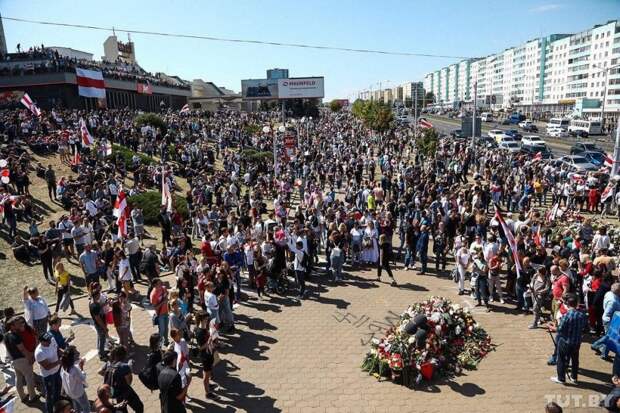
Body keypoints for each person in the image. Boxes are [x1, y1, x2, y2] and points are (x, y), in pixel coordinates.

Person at [551, 293, 588, 385]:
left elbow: (560, 329)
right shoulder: (582, 315)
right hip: (577, 342)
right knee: (575, 360)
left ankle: (561, 378)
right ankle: (574, 378)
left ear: (567, 304)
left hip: (565, 341)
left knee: (561, 359)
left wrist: (551, 327)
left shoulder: (567, 316)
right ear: (576, 304)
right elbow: (585, 328)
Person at [99, 345, 143, 413]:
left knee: (122, 410)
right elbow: (129, 382)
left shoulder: (109, 363)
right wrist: (129, 368)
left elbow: (99, 372)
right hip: (125, 391)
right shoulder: (124, 367)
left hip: (115, 393)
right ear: (124, 355)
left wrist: (113, 375)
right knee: (139, 407)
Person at [4, 316, 37, 404]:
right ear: (12, 326)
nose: (18, 325)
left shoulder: (6, 335)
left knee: (18, 378)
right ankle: (32, 396)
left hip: (14, 360)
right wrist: (30, 357)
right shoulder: (15, 336)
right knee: (29, 377)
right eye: (16, 324)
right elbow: (22, 349)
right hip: (22, 360)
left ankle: (22, 396)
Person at [194, 311, 219, 400]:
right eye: (206, 318)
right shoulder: (200, 331)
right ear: (202, 319)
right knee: (206, 374)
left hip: (209, 353)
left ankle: (208, 384)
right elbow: (200, 347)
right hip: (205, 355)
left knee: (208, 372)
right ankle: (207, 393)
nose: (207, 319)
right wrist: (209, 340)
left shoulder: (202, 328)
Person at [35, 332, 62, 413]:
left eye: (50, 339)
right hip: (48, 375)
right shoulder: (39, 353)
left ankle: (58, 407)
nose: (50, 341)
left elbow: (57, 349)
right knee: (50, 395)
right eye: (47, 341)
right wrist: (59, 362)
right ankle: (50, 411)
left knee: (58, 388)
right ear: (41, 342)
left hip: (57, 371)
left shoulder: (52, 340)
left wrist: (64, 352)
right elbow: (47, 367)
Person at [60, 345, 90, 413]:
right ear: (72, 357)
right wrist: (81, 367)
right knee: (86, 407)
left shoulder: (64, 367)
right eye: (76, 353)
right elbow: (82, 378)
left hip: (70, 392)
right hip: (78, 393)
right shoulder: (74, 370)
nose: (78, 353)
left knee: (76, 405)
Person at [89, 288, 109, 361]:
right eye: (99, 295)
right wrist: (104, 327)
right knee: (102, 339)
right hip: (100, 325)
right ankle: (102, 355)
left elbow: (99, 306)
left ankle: (102, 351)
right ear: (96, 295)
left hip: (98, 324)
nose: (100, 296)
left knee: (101, 338)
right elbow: (98, 318)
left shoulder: (92, 303)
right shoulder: (95, 306)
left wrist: (105, 304)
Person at [150, 278, 169, 346]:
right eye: (159, 283)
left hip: (166, 312)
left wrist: (166, 297)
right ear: (155, 285)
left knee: (166, 328)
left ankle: (166, 341)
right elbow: (155, 307)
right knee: (162, 330)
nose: (161, 284)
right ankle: (159, 345)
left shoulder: (163, 288)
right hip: (160, 314)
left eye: (161, 282)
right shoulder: (153, 295)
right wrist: (163, 302)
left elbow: (167, 293)